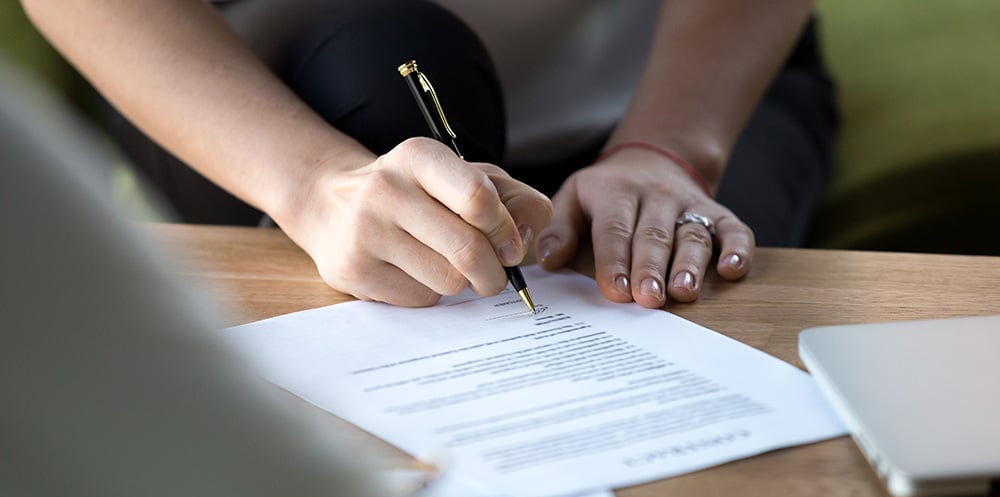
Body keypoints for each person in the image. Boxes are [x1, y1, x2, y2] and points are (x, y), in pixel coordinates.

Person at [0, 58, 554, 497]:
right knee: (385, 56)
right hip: (242, 118)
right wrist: (313, 187)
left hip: (585, 140)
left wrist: (642, 147)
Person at [20, 0, 837, 310]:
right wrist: (312, 182)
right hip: (258, 100)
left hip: (674, 71)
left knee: (707, 299)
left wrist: (670, 148)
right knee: (386, 66)